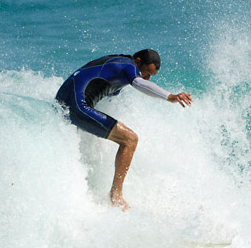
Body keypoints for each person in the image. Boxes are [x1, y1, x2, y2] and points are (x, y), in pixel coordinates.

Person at [55, 49, 192, 210]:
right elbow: (140, 83)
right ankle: (116, 196)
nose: (146, 77)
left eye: (150, 76)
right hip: (76, 107)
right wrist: (170, 97)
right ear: (138, 61)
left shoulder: (118, 66)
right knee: (130, 139)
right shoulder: (128, 66)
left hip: (65, 104)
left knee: (105, 138)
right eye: (147, 72)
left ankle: (82, 190)